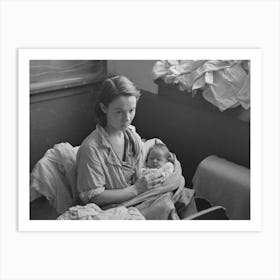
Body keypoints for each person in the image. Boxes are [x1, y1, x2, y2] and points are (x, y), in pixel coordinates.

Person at [76, 75, 164, 207]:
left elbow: (138, 169)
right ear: (104, 108)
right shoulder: (91, 149)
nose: (127, 118)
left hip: (138, 196)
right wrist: (136, 189)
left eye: (131, 110)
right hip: (112, 207)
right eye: (119, 112)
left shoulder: (132, 135)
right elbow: (94, 197)